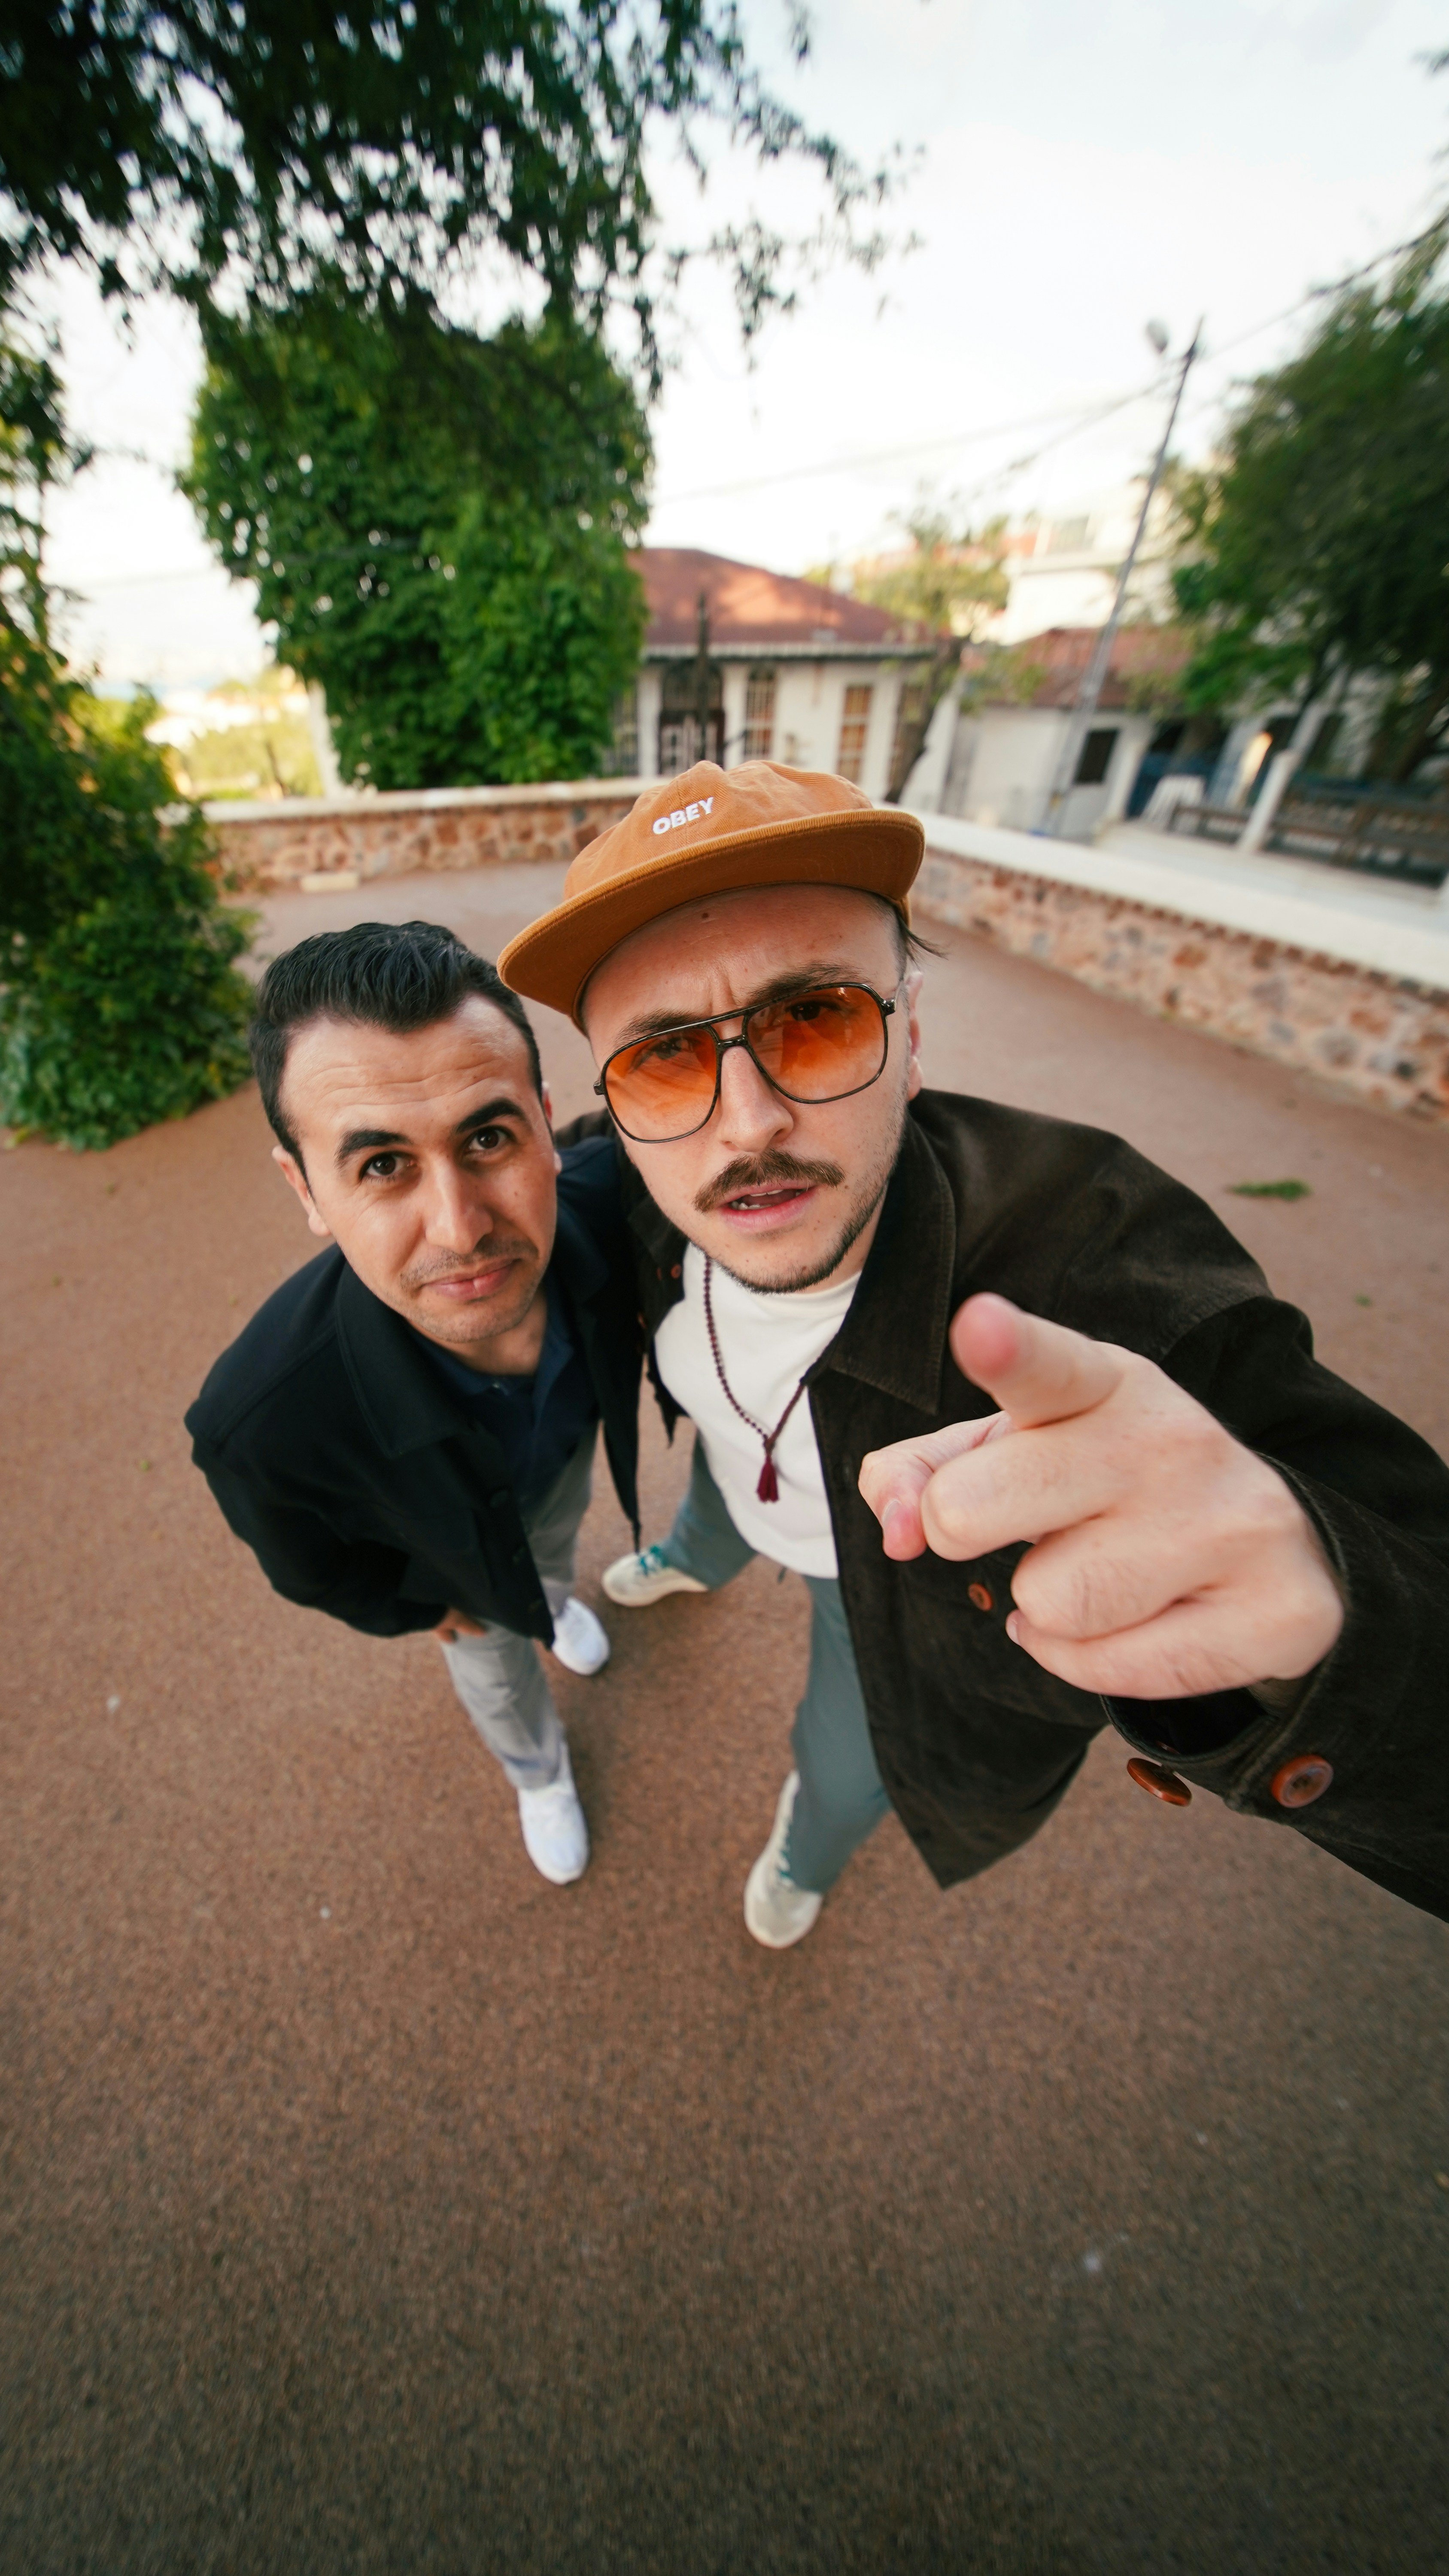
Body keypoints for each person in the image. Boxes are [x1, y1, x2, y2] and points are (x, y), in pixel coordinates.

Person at [498, 758, 1449, 1944]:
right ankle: (696, 1552)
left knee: (847, 1773)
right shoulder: (626, 1180)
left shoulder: (1099, 1261)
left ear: (910, 1042)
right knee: (721, 1505)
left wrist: (1347, 1630)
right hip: (745, 1468)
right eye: (663, 1056)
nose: (745, 1126)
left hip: (873, 1588)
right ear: (620, 1101)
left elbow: (1386, 1548)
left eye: (815, 1018)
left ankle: (809, 1848)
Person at [186, 920, 645, 1886]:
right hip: (455, 1570)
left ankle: (551, 1604)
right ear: (304, 1187)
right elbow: (308, 1567)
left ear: (543, 1120)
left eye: (487, 1136)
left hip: (557, 1463)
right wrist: (424, 1613)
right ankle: (539, 1770)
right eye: (381, 1164)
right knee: (493, 1665)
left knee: (555, 1541)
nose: (461, 1226)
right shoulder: (256, 1423)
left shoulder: (610, 1196)